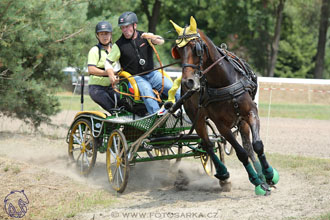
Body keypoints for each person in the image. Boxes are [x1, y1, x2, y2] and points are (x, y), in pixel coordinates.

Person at [105, 11, 180, 114]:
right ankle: (156, 118)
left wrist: (152, 37)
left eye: (127, 27)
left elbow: (161, 41)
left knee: (174, 88)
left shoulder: (145, 36)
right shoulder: (118, 45)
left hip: (152, 74)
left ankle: (183, 112)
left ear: (134, 25)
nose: (125, 30)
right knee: (146, 91)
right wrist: (110, 74)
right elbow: (108, 62)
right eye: (122, 28)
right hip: (135, 78)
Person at [87, 21, 121, 114]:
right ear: (97, 36)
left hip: (111, 87)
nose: (104, 36)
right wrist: (109, 73)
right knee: (114, 110)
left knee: (124, 106)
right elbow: (91, 69)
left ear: (111, 34)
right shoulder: (94, 50)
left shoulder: (115, 49)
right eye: (101, 34)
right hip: (97, 89)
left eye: (106, 33)